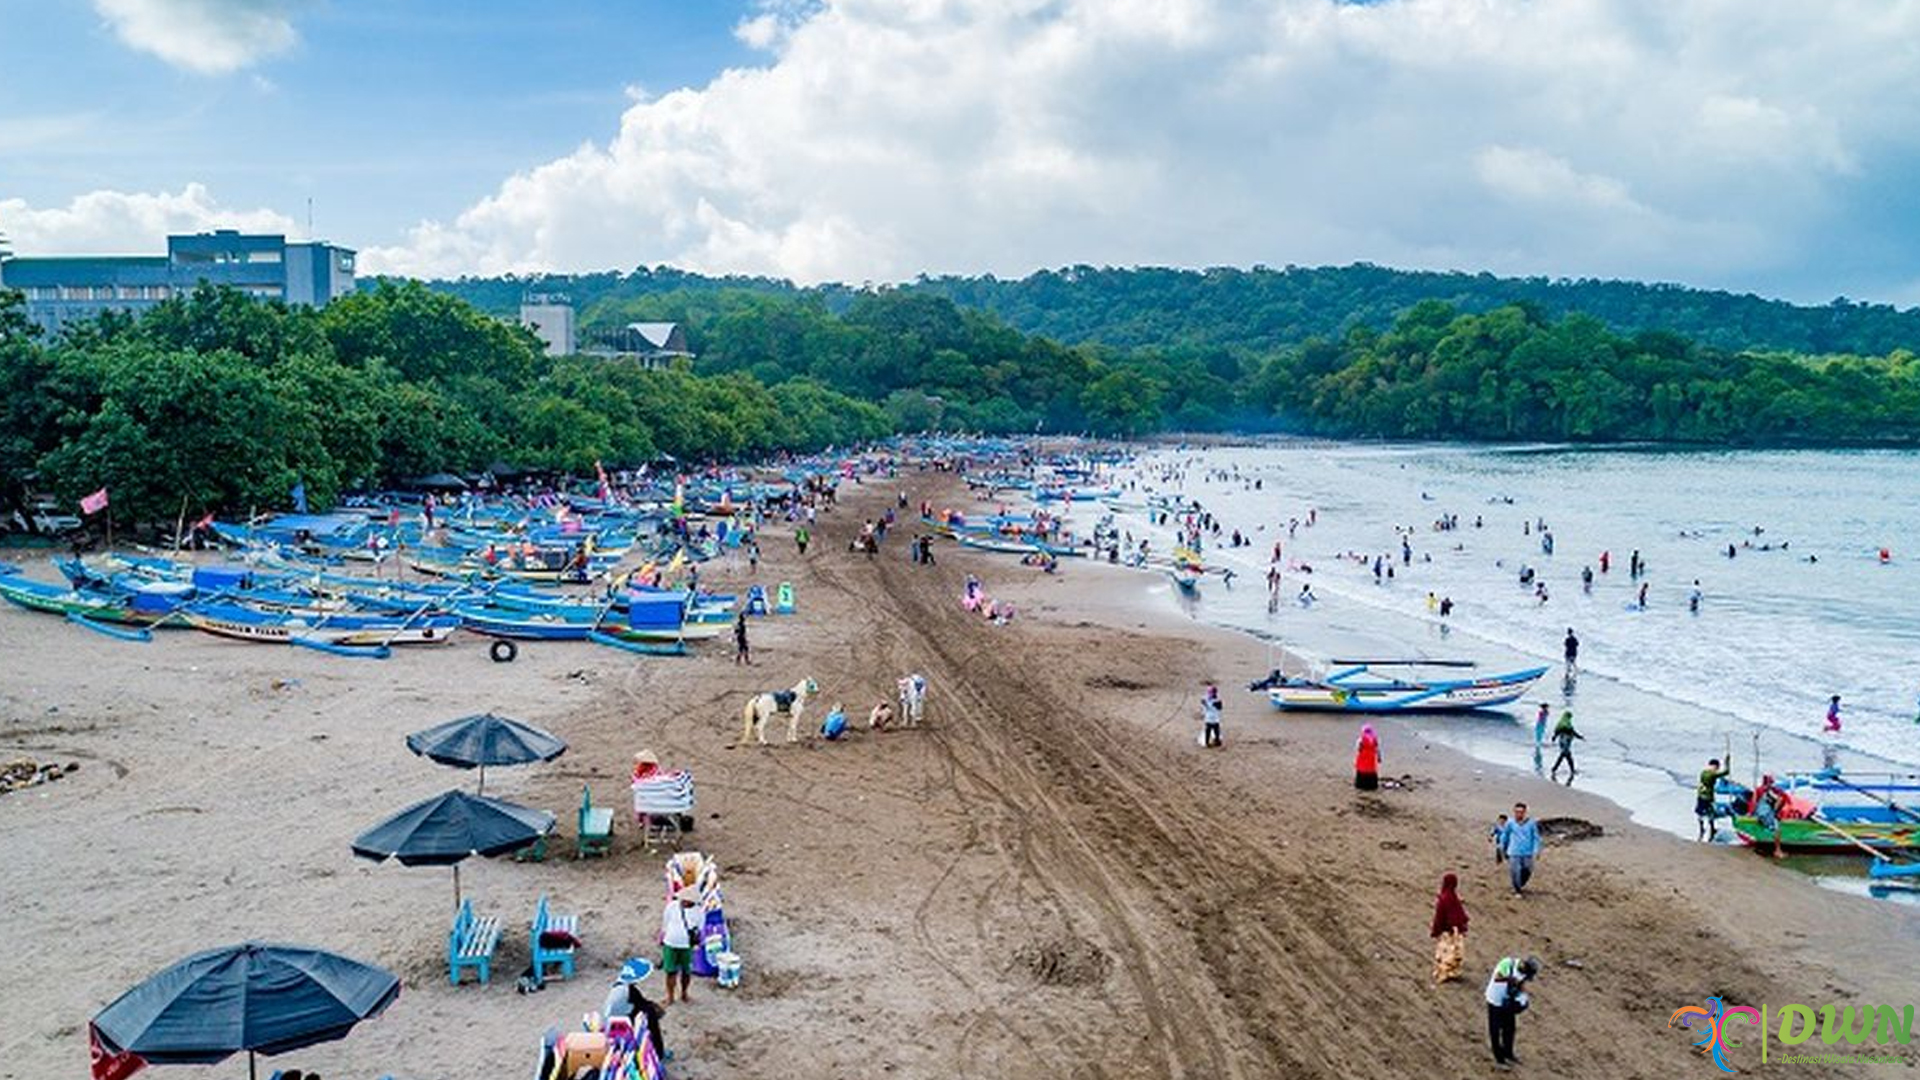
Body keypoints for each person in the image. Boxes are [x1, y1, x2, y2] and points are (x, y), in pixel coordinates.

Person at [602, 964, 669, 1063]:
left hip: (610, 1021)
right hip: (622, 1022)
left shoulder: (618, 987)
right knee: (651, 1017)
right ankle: (659, 1053)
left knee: (648, 1011)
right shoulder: (630, 990)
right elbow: (642, 1005)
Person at [1485, 955, 1541, 1069]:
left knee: (1510, 1029)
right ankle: (1499, 1059)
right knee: (1495, 1031)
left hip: (1507, 1002)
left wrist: (1522, 999)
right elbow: (1497, 977)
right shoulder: (1507, 963)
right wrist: (1510, 979)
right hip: (1494, 1000)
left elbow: (1521, 986)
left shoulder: (1524, 974)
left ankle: (1508, 1053)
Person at [659, 889, 701, 1004]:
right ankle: (670, 996)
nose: (685, 901)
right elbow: (665, 923)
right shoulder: (672, 906)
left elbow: (699, 929)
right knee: (670, 972)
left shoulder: (699, 912)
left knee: (686, 972)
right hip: (670, 943)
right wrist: (663, 936)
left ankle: (684, 993)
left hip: (686, 946)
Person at [1430, 873, 1470, 984]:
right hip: (1456, 932)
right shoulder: (1453, 898)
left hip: (1446, 933)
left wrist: (1435, 931)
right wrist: (1462, 927)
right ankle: (1452, 972)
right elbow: (1460, 915)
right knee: (1455, 953)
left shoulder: (1443, 899)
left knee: (1445, 954)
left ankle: (1444, 973)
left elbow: (1439, 917)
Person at [1503, 802, 1540, 896]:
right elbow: (1505, 836)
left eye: (1521, 812)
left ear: (1524, 812)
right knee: (1515, 872)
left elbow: (1536, 838)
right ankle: (1517, 890)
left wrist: (1536, 850)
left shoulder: (1531, 823)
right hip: (1513, 851)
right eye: (1516, 812)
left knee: (1527, 871)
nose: (1518, 814)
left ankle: (1520, 884)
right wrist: (1502, 847)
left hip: (1527, 852)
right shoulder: (1510, 823)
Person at [1696, 756, 1732, 841]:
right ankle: (1712, 831)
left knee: (1700, 813)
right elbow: (1726, 772)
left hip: (1700, 795)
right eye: (1717, 767)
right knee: (1711, 814)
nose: (1717, 769)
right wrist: (1727, 762)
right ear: (1715, 766)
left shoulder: (1704, 772)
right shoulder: (1712, 774)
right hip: (1708, 797)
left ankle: (1702, 830)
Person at [1548, 711, 1583, 783]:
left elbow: (1557, 731)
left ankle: (1568, 770)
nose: (1570, 718)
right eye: (1570, 717)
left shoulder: (1560, 723)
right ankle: (1556, 768)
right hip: (1566, 741)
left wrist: (1554, 737)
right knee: (1565, 755)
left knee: (1566, 755)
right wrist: (1579, 737)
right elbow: (1572, 732)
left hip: (1562, 741)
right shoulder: (1567, 724)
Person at [1354, 724, 1381, 790]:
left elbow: (1358, 748)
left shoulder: (1361, 739)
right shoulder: (1374, 739)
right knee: (1371, 770)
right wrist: (1379, 758)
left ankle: (1361, 785)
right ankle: (1372, 786)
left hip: (1363, 757)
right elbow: (1377, 749)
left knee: (1362, 770)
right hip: (1371, 757)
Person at [1200, 684, 1223, 748]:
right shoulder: (1206, 699)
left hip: (1215, 719)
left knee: (1216, 730)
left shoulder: (1217, 701)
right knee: (1208, 731)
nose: (1209, 694)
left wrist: (1207, 704)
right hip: (1208, 719)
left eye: (1210, 692)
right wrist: (1204, 705)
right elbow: (1204, 707)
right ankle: (1207, 742)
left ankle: (1217, 741)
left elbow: (1219, 708)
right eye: (1208, 692)